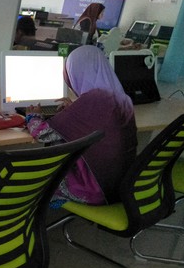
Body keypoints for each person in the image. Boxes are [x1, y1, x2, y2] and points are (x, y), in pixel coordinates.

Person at [25, 45, 137, 207]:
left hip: (96, 189)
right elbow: (96, 121)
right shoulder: (122, 98)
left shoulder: (93, 100)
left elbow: (43, 133)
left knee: (34, 175)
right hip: (120, 184)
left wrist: (32, 115)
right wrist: (75, 109)